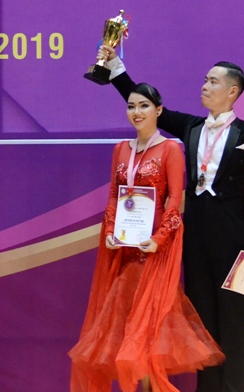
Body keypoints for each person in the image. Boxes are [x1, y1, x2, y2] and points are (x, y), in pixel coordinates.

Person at [98, 47, 244, 392]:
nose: (204, 86)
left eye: (212, 81)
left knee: (236, 322)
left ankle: (237, 387)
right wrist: (115, 67)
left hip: (236, 240)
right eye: (205, 80)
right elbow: (146, 106)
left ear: (232, 91)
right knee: (202, 322)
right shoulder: (191, 127)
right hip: (194, 240)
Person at [70, 83, 224, 392]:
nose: (136, 112)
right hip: (124, 253)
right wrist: (112, 230)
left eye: (143, 105)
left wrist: (159, 239)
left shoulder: (169, 149)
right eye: (131, 106)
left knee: (147, 334)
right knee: (126, 334)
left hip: (153, 253)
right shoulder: (120, 149)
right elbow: (114, 196)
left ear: (158, 110)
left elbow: (173, 200)